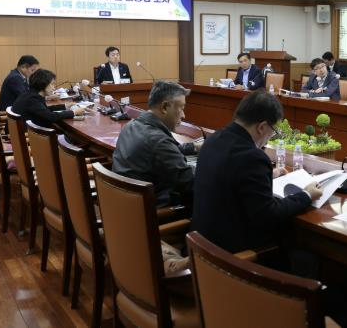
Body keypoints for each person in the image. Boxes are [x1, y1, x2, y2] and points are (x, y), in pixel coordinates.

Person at [191, 91, 322, 254]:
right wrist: (306, 195)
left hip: (201, 242)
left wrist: (267, 175)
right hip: (230, 254)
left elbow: (231, 176)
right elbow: (268, 215)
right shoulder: (253, 157)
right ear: (262, 127)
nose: (270, 137)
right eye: (273, 131)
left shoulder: (213, 139)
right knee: (307, 253)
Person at [112, 81, 199, 209]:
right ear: (164, 107)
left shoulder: (131, 126)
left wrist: (195, 147)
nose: (183, 115)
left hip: (126, 206)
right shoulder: (158, 141)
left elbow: (162, 151)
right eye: (181, 108)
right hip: (153, 213)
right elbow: (190, 184)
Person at [11, 69, 85, 128]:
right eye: (52, 84)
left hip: (29, 131)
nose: (54, 87)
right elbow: (51, 117)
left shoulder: (30, 94)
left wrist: (65, 106)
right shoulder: (32, 99)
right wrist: (74, 112)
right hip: (32, 135)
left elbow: (44, 110)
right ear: (43, 84)